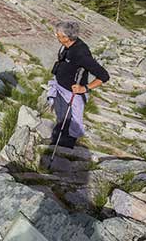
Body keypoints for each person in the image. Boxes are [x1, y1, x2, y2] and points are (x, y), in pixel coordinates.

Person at [47, 21, 110, 149]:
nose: (55, 36)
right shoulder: (67, 45)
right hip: (60, 87)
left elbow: (104, 76)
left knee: (68, 120)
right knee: (60, 117)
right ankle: (57, 140)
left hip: (70, 94)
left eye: (57, 34)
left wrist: (84, 88)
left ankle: (65, 148)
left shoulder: (81, 53)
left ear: (66, 37)